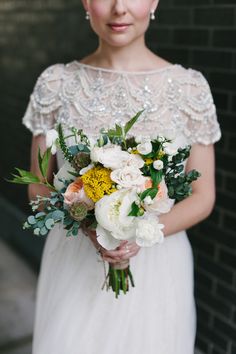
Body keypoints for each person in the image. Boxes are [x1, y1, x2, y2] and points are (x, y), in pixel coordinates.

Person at [22, 0, 221, 353]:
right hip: (75, 260)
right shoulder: (56, 83)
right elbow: (38, 184)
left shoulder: (189, 87)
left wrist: (136, 236)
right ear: (86, 3)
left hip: (159, 264)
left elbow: (203, 196)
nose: (118, 9)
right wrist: (89, 225)